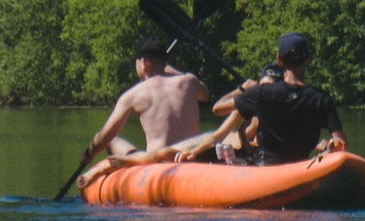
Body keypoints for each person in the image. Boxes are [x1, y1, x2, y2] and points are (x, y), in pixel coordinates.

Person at [209, 31, 343, 167]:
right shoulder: (322, 98)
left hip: (266, 169)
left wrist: (242, 88)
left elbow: (218, 109)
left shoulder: (261, 92)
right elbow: (340, 143)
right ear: (308, 58)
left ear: (279, 60)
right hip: (301, 168)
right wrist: (329, 146)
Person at [78, 36, 206, 173]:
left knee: (111, 141)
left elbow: (102, 139)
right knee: (116, 143)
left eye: (136, 62)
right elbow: (205, 95)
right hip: (191, 158)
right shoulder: (190, 82)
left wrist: (88, 155)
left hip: (158, 164)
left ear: (143, 63)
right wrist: (171, 70)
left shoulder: (134, 94)